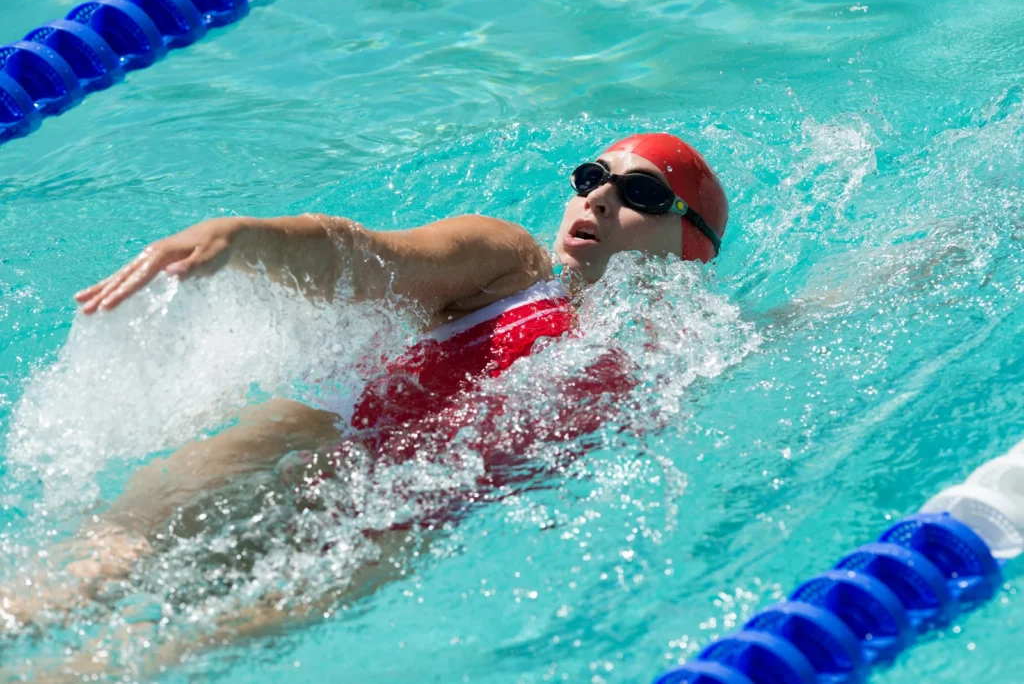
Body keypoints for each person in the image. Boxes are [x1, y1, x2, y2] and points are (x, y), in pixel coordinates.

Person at [1, 132, 728, 678]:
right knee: (78, 581)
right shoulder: (511, 265)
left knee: (150, 660)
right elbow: (373, 258)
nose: (599, 196)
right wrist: (249, 239)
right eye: (592, 177)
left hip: (395, 522)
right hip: (294, 446)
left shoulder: (671, 357)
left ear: (689, 244)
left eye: (643, 194)